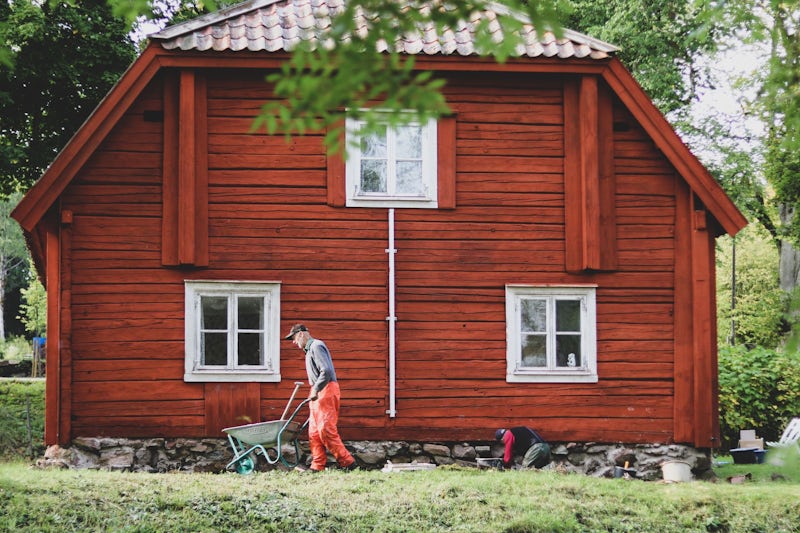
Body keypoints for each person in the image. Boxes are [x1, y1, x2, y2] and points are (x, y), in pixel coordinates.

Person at [285, 323, 357, 472]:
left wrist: (316, 389)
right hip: (318, 390)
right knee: (314, 432)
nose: (294, 342)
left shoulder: (316, 346)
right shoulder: (309, 350)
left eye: (294, 338)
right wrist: (315, 389)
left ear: (301, 334)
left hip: (326, 389)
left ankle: (348, 463)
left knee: (325, 429)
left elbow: (326, 371)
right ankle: (317, 466)